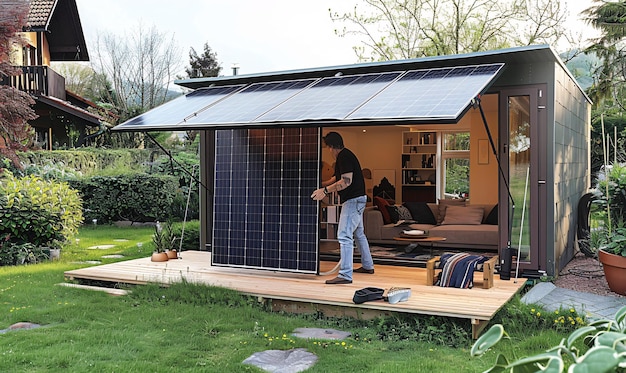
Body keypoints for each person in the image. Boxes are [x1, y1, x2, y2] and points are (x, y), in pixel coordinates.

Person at [311, 132, 374, 284]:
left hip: (353, 201)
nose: (328, 151)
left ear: (332, 147)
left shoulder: (344, 157)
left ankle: (345, 274)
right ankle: (368, 266)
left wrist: (324, 191)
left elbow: (346, 181)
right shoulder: (345, 156)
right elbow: (337, 179)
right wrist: (322, 184)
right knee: (359, 234)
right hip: (358, 199)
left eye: (327, 148)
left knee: (344, 235)